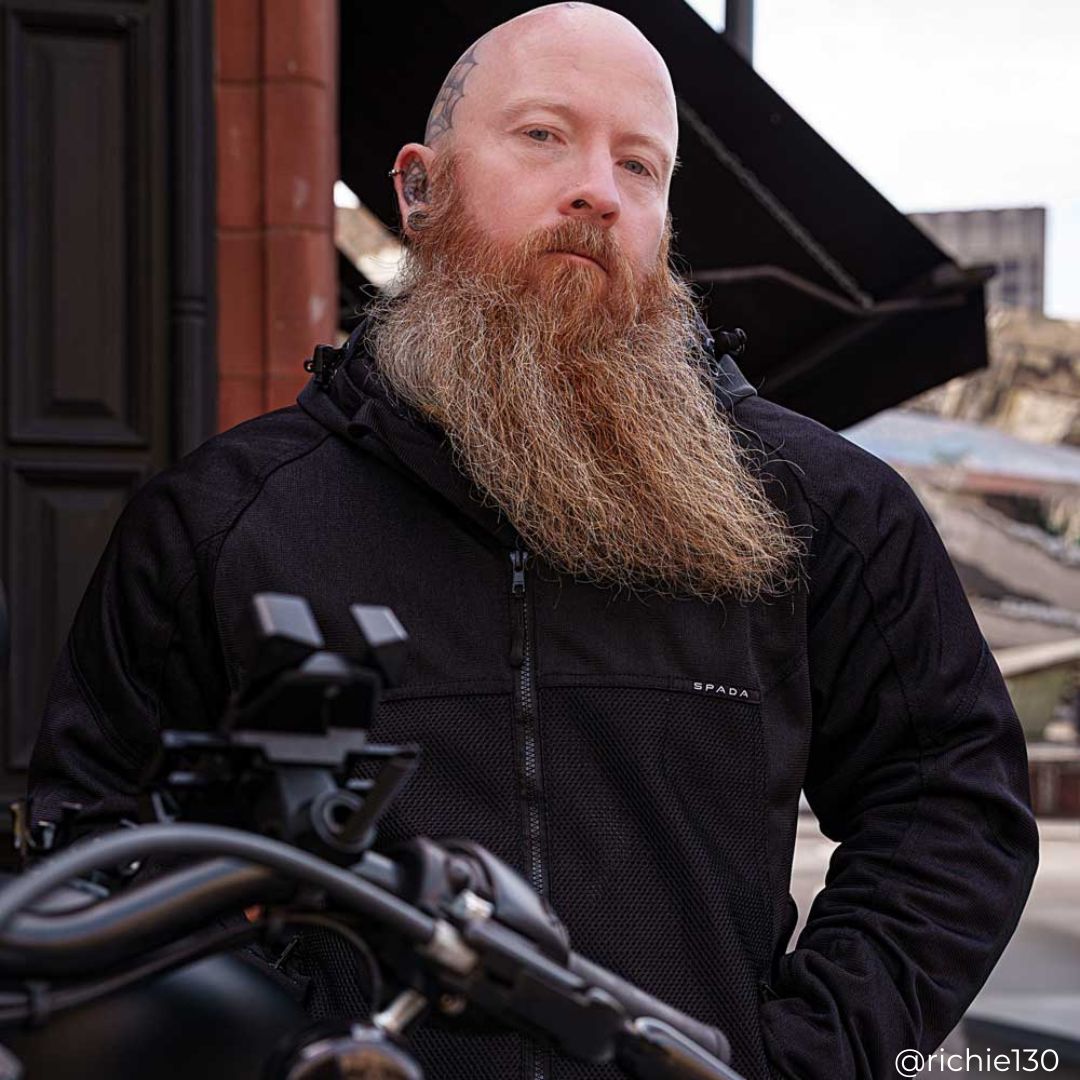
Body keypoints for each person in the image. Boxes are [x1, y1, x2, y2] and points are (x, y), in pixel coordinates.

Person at [27, 5, 1037, 1079]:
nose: (599, 189)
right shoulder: (222, 518)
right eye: (544, 136)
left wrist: (801, 1054)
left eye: (640, 165)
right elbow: (101, 840)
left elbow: (950, 806)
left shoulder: (820, 505)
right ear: (417, 190)